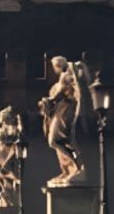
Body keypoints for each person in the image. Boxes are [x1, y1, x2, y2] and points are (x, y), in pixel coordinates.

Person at [38, 57, 89, 185]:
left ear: (58, 66)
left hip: (66, 110)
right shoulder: (67, 75)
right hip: (62, 110)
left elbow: (59, 93)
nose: (54, 70)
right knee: (59, 142)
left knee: (57, 141)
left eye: (54, 67)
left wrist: (48, 100)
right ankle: (68, 170)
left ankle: (77, 166)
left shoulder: (66, 75)